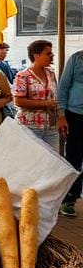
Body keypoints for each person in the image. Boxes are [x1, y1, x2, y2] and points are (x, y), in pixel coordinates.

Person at [13, 39, 59, 151]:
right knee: (32, 161)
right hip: (30, 126)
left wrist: (60, 117)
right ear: (36, 55)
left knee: (53, 161)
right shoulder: (23, 76)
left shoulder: (51, 73)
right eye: (48, 53)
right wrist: (46, 104)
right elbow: (18, 101)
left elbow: (55, 96)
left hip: (51, 125)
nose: (52, 55)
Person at [58, 47, 83, 217]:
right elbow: (63, 87)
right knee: (74, 158)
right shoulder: (76, 59)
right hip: (75, 116)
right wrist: (61, 115)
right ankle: (69, 199)